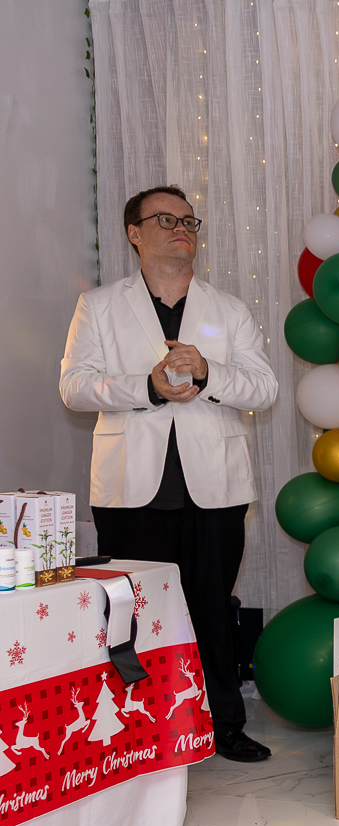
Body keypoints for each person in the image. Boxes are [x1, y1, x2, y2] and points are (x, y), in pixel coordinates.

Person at [60, 185, 279, 763]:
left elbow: (264, 388)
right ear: (134, 234)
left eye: (188, 220)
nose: (181, 228)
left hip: (217, 488)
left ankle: (223, 726)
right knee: (135, 614)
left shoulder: (228, 308)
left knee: (212, 608)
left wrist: (209, 372)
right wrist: (146, 387)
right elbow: (74, 386)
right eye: (165, 219)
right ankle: (140, 733)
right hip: (130, 487)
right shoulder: (99, 306)